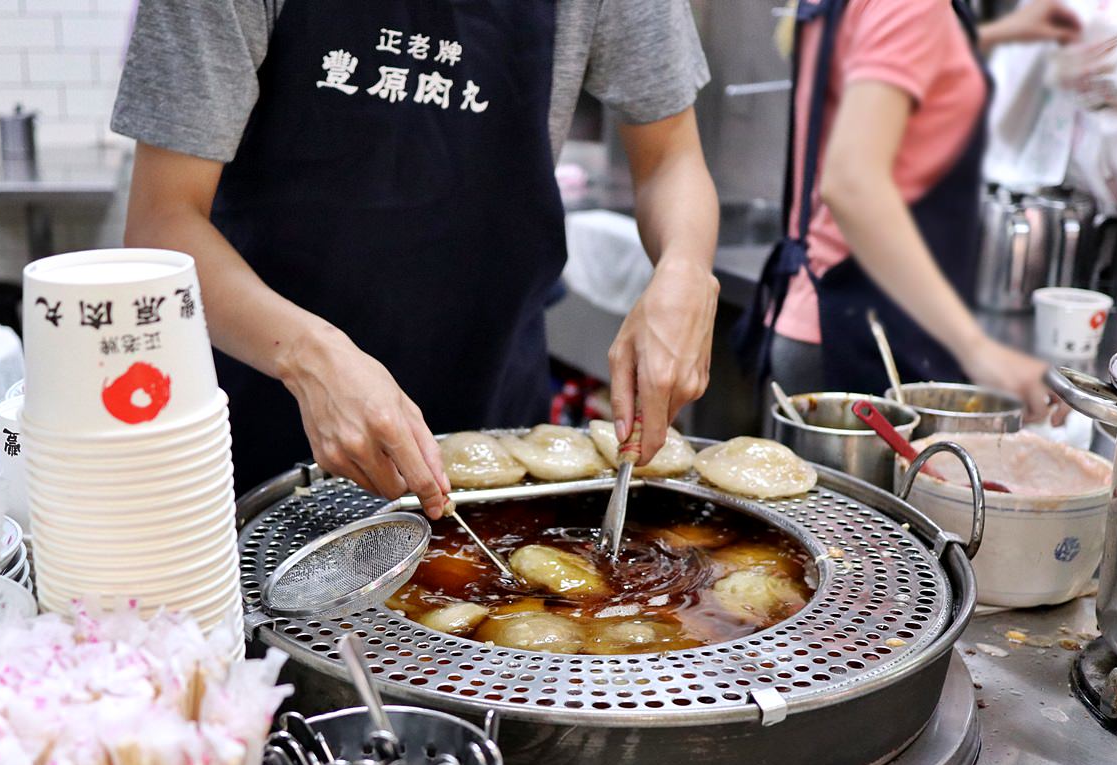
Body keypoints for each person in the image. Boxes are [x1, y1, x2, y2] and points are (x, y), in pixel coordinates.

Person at [111, 1, 720, 516]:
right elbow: (163, 222)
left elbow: (670, 156)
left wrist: (687, 271)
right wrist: (309, 358)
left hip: (498, 427)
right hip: (265, 422)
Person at [739, 0, 1080, 420]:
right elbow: (851, 183)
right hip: (861, 335)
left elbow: (897, 55)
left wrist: (1003, 33)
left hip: (827, 315)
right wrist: (977, 348)